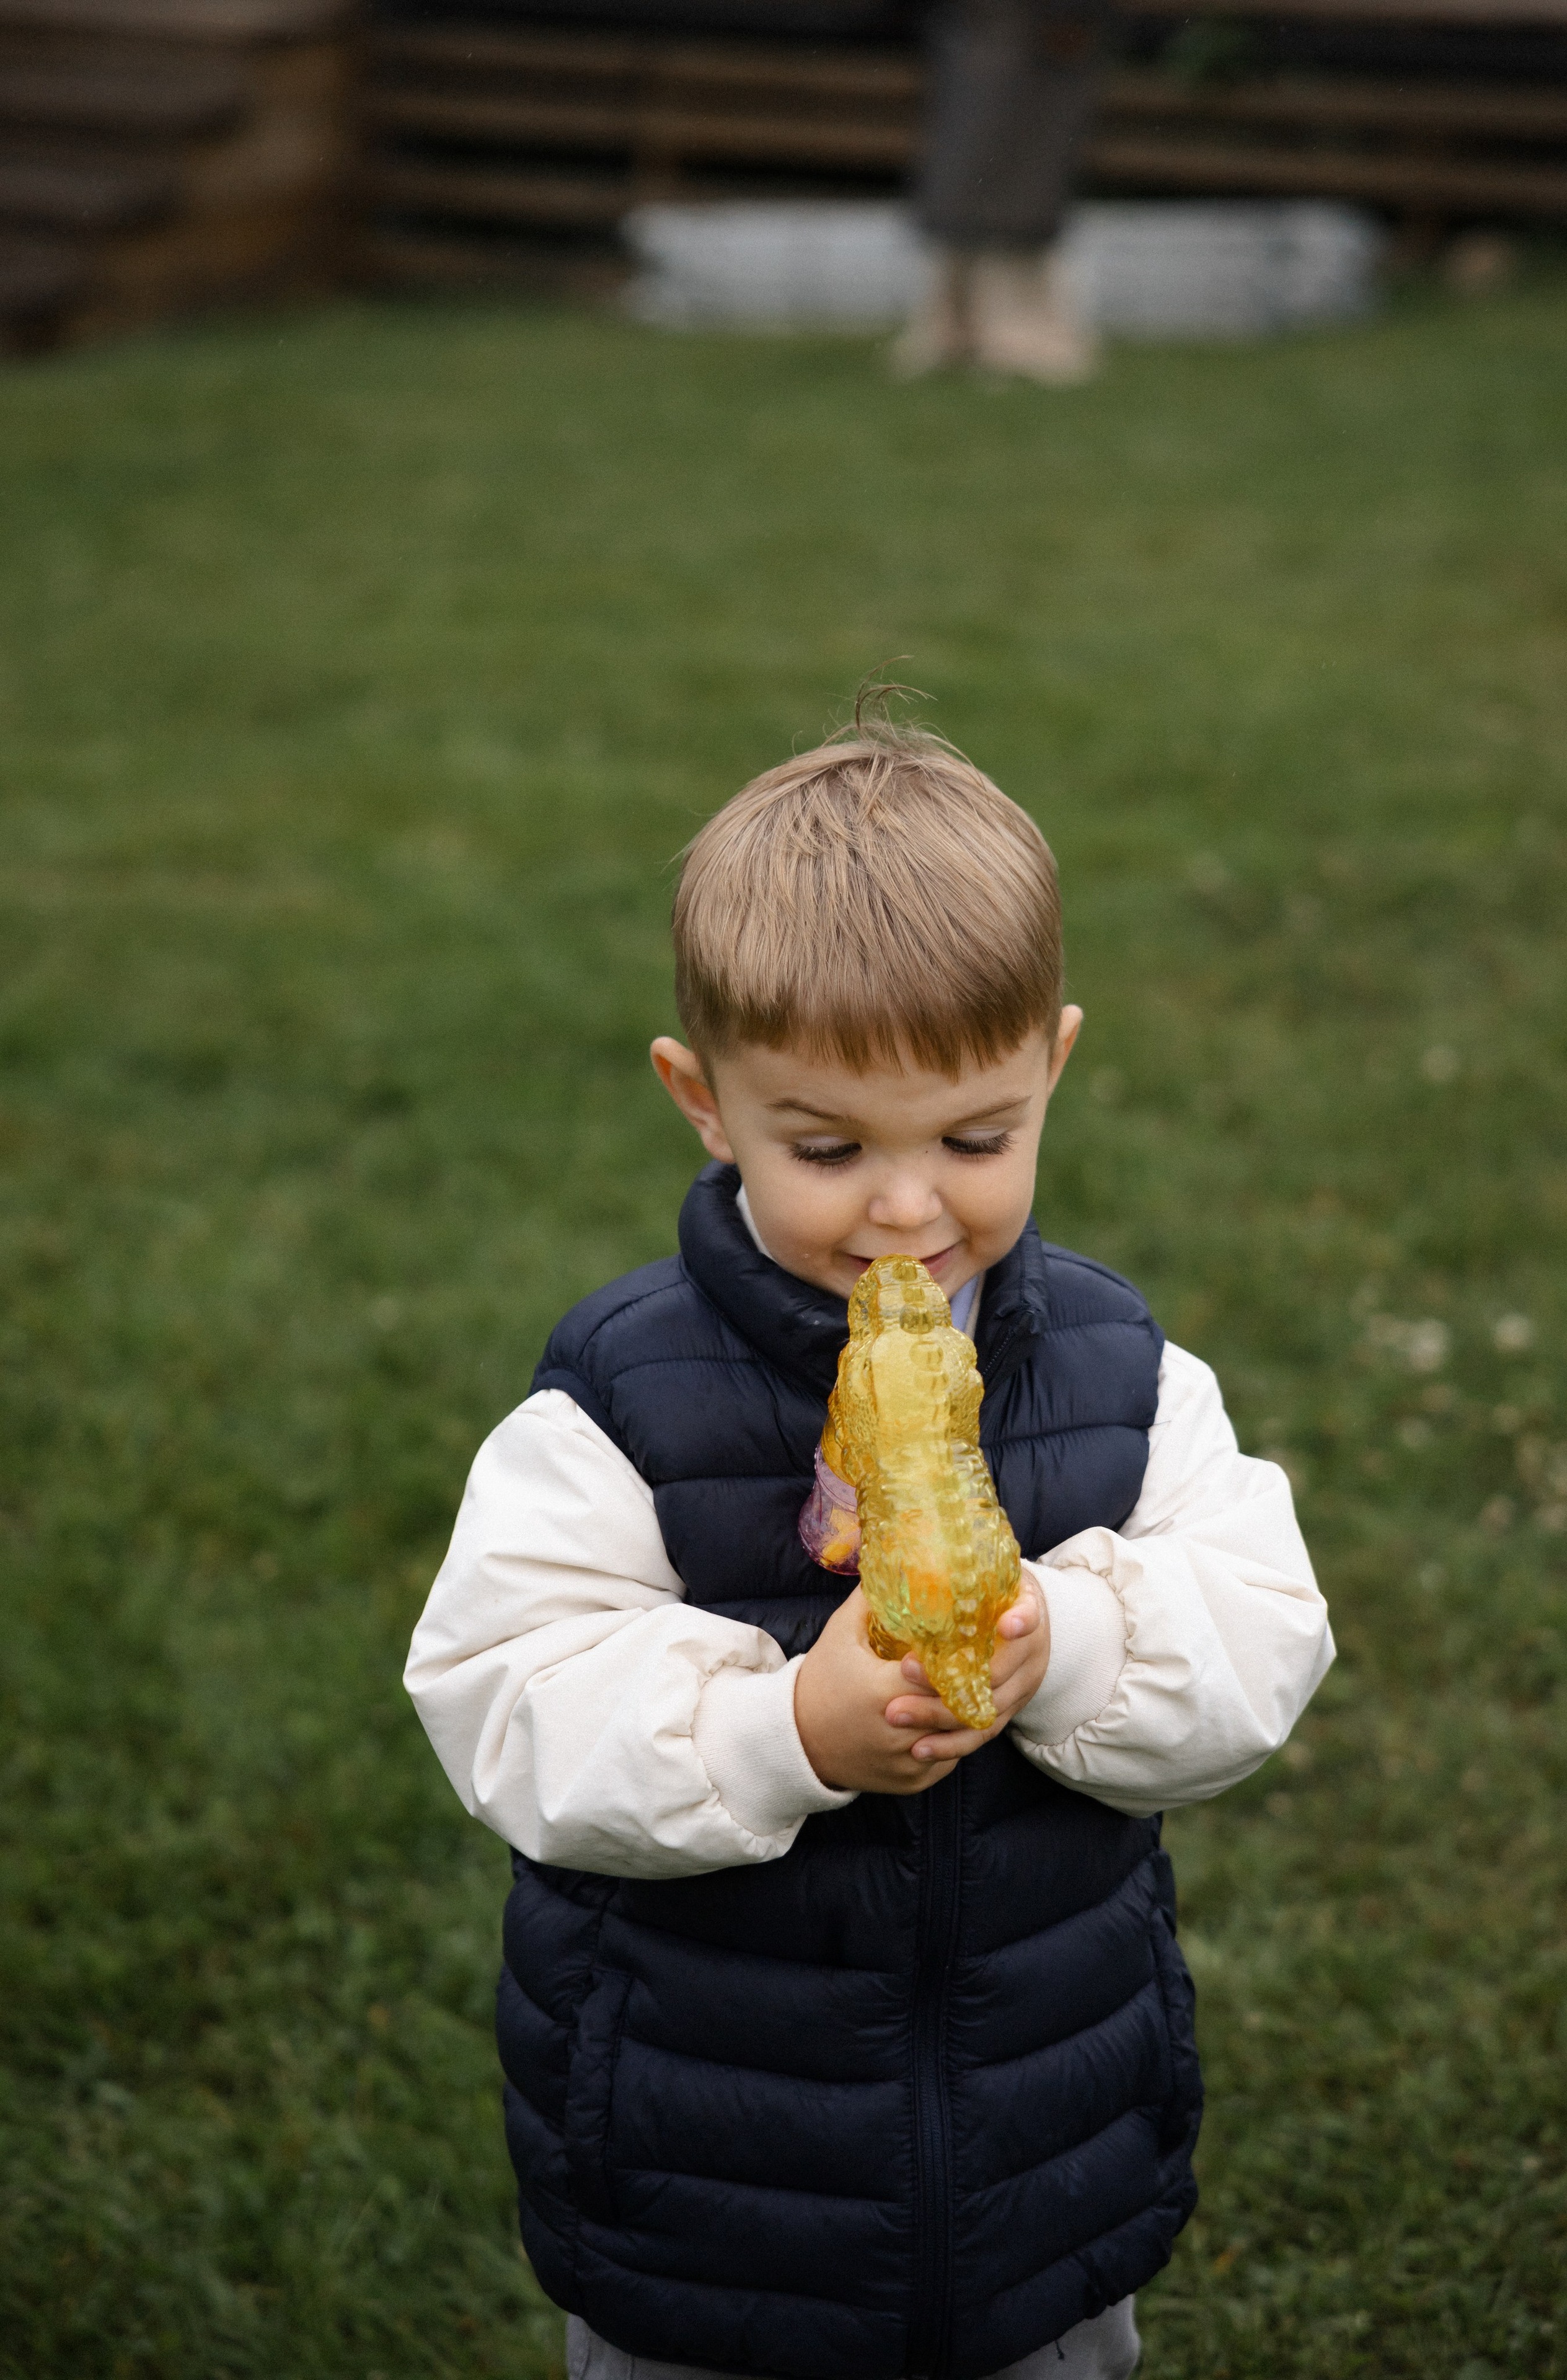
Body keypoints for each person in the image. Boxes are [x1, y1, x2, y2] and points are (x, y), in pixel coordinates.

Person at [405, 710, 1333, 2380]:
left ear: (1051, 1065)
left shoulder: (1128, 1380)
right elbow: (507, 1701)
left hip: (1037, 2149)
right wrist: (780, 1733)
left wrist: (1075, 1635)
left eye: (976, 1139)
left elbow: (1266, 1638)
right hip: (710, 2175)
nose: (908, 1208)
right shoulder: (618, 1406)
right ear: (705, 1103)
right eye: (829, 1150)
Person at [896, 0, 1115, 383]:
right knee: (972, 160)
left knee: (1016, 164)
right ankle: (961, 326)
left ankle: (1016, 334)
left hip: (1033, 42)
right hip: (984, 35)